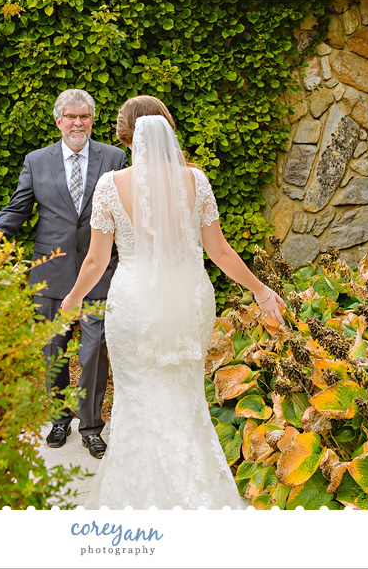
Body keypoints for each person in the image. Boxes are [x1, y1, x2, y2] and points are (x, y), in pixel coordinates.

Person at [60, 95, 286, 509]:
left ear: (126, 134)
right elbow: (219, 252)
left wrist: (72, 299)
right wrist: (260, 289)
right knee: (184, 395)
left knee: (138, 396)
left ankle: (136, 502)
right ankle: (198, 495)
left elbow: (95, 260)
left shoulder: (110, 186)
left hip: (134, 308)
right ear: (167, 130)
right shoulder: (196, 181)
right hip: (188, 302)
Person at [0, 89, 128, 458]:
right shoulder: (37, 161)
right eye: (70, 116)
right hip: (51, 274)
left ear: (92, 120)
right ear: (58, 121)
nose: (77, 123)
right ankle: (58, 420)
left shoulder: (114, 158)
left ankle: (90, 426)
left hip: (100, 272)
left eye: (84, 116)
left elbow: (127, 212)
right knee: (53, 352)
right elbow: (17, 209)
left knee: (93, 353)